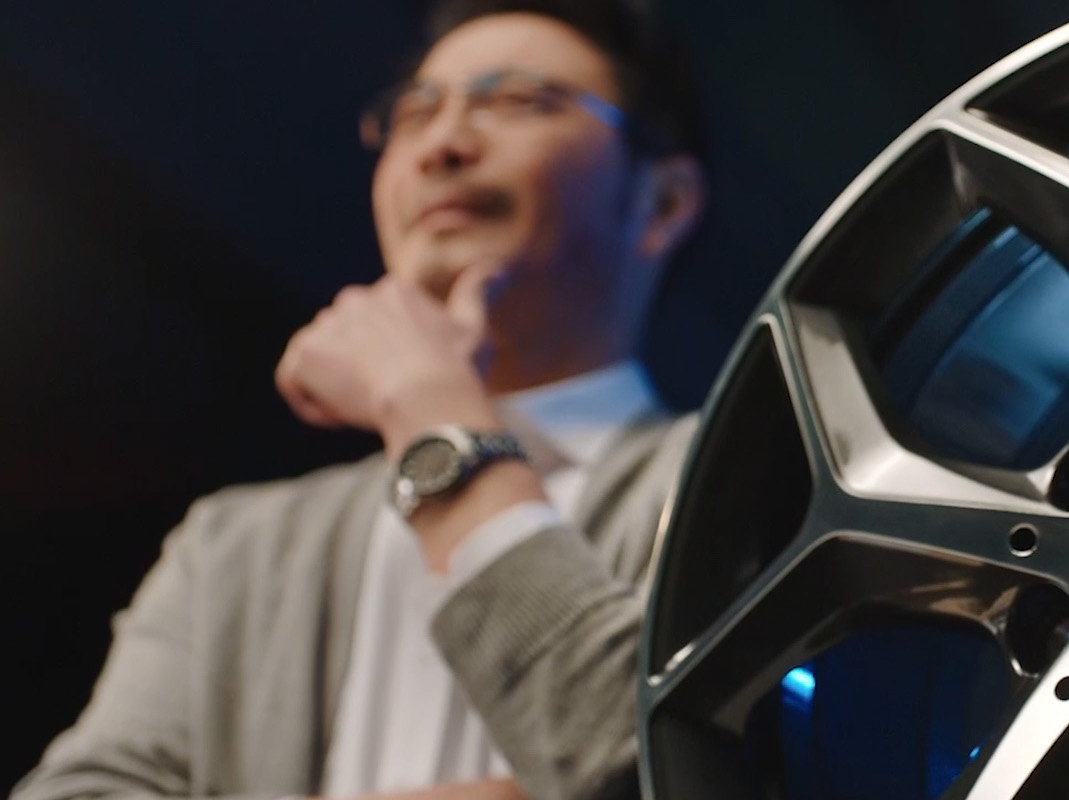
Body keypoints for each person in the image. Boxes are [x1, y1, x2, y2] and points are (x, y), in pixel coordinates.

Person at [11, 1, 706, 799]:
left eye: (518, 101)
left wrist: (431, 408)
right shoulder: (235, 547)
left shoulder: (733, 476)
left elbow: (678, 769)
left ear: (663, 201)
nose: (442, 144)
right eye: (415, 113)